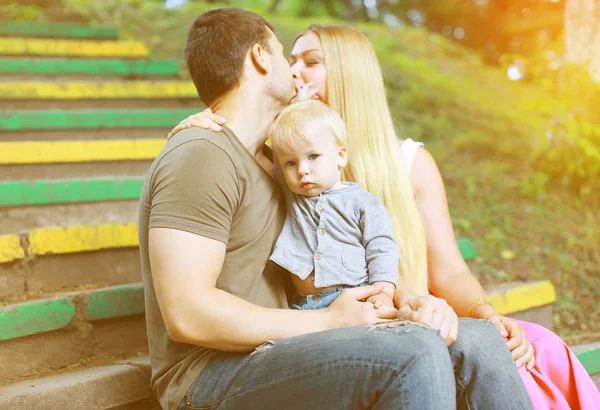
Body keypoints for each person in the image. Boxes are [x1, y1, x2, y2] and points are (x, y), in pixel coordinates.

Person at [169, 20, 600, 410]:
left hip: (392, 307)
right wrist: (208, 123)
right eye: (291, 58)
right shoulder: (278, 157)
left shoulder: (403, 162)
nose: (296, 71)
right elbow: (227, 143)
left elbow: (446, 270)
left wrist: (481, 311)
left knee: (485, 341)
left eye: (311, 61)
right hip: (319, 320)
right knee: (416, 349)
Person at [268, 100, 398, 311]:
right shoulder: (294, 196)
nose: (302, 170)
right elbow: (268, 150)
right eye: (290, 163)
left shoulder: (364, 202)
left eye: (313, 156)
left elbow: (381, 245)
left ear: (340, 156)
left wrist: (383, 290)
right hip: (303, 307)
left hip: (356, 299)